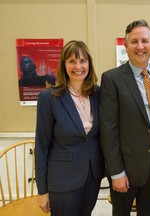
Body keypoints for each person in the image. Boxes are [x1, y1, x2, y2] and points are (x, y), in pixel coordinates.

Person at [100, 19, 150, 216]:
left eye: (145, 41)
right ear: (125, 46)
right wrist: (116, 172)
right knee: (122, 212)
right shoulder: (112, 79)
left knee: (146, 211)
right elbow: (108, 130)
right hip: (126, 166)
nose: (140, 46)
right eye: (134, 42)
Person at [35, 40, 105, 216]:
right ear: (63, 65)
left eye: (82, 61)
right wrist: (42, 191)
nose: (78, 66)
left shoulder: (99, 94)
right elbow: (42, 146)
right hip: (62, 180)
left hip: (92, 176)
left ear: (89, 63)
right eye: (72, 61)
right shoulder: (49, 98)